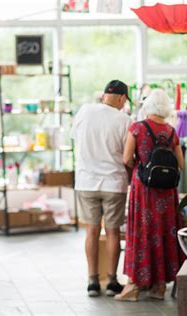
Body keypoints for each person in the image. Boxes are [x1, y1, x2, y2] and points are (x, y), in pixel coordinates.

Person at [117, 89, 185, 302]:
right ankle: (159, 286)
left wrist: (141, 165)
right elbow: (181, 164)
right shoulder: (172, 131)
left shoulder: (137, 128)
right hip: (167, 191)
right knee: (164, 232)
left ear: (147, 106)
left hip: (144, 189)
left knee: (143, 231)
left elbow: (127, 158)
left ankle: (134, 286)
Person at [71, 80, 132, 297]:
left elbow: (76, 138)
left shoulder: (85, 110)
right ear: (122, 98)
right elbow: (128, 156)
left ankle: (92, 282)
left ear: (105, 94)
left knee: (92, 231)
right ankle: (112, 281)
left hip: (86, 181)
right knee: (113, 231)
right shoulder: (125, 119)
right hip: (114, 183)